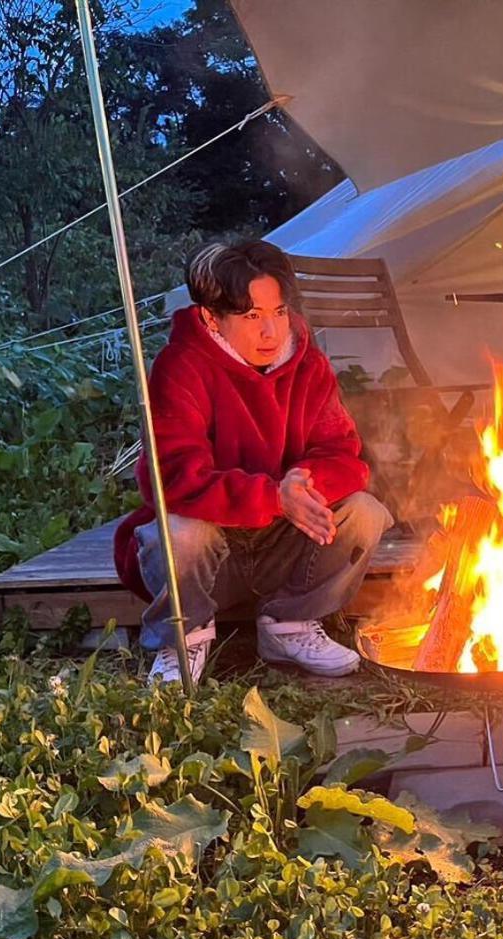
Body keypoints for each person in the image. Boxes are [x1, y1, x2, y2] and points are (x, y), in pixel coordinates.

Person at [114, 240, 394, 684]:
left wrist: (304, 482)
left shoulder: (307, 364)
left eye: (278, 312)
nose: (271, 332)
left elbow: (343, 453)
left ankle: (290, 623)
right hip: (210, 551)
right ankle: (184, 640)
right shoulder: (180, 367)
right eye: (251, 316)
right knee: (177, 532)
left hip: (280, 544)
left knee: (364, 512)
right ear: (211, 317)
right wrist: (273, 497)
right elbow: (174, 478)